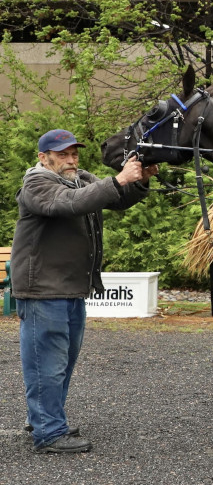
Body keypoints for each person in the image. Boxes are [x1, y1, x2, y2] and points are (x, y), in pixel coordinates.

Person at [12, 129, 158, 453]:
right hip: (42, 290)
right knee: (46, 363)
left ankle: (45, 418)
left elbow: (115, 198)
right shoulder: (36, 183)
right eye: (63, 154)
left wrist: (140, 180)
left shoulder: (80, 179)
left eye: (74, 153)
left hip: (70, 289)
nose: (71, 159)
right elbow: (71, 204)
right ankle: (48, 432)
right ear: (43, 158)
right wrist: (119, 179)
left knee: (60, 362)